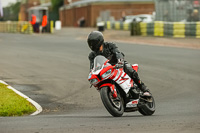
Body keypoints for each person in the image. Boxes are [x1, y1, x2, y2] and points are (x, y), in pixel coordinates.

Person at [87, 31, 151, 96]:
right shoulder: (92, 55)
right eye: (90, 43)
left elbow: (117, 52)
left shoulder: (110, 45)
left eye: (93, 42)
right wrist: (91, 74)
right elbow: (92, 67)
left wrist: (120, 60)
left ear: (99, 41)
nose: (92, 44)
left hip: (117, 65)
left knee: (129, 69)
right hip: (107, 71)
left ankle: (144, 89)